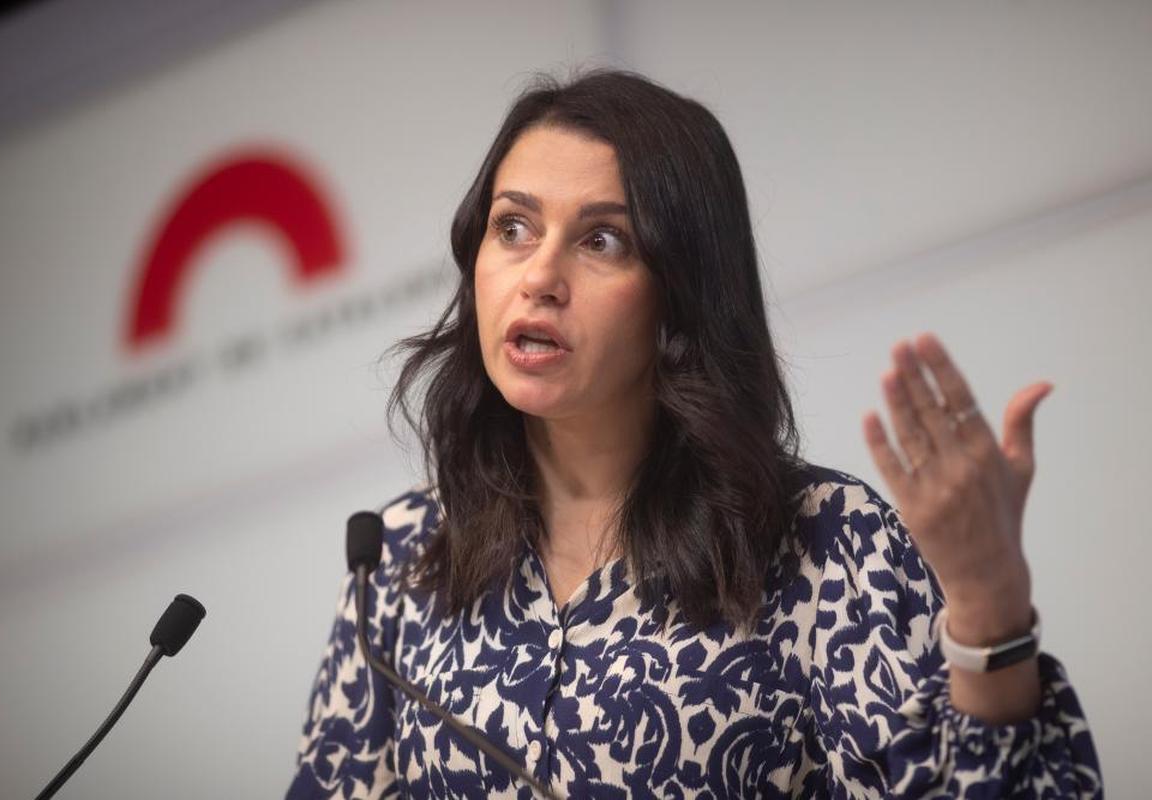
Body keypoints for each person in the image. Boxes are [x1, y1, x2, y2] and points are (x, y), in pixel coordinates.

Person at [284, 68, 1102, 798]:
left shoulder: (824, 543)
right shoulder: (398, 557)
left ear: (680, 294)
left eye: (602, 240)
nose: (538, 276)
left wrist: (992, 610)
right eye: (513, 228)